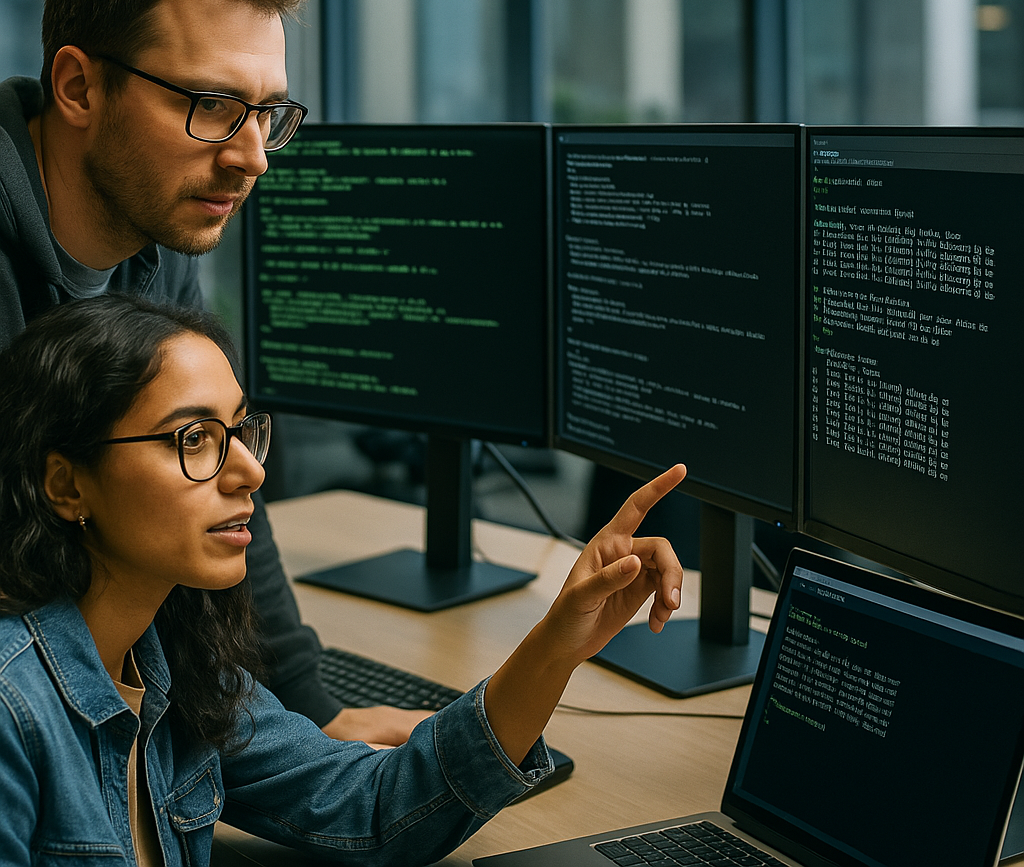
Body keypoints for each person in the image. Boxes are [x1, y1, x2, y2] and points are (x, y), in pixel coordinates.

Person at [0, 293, 686, 865]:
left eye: (241, 431)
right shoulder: (11, 711)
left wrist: (554, 644)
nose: (250, 472)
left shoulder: (174, 666)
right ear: (66, 483)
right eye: (194, 439)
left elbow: (378, 809)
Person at [0, 0, 419, 744]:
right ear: (79, 86)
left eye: (267, 113)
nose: (253, 157)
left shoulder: (159, 240)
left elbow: (213, 475)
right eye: (214, 106)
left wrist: (311, 705)